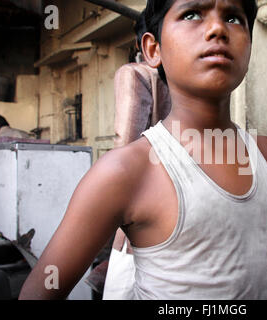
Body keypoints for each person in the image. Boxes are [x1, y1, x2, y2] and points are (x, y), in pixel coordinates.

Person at [19, 0, 267, 299]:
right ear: (153, 49)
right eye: (191, 14)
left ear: (249, 46)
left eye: (234, 18)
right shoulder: (125, 172)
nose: (217, 29)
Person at [85, 10, 172, 298]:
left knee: (124, 285)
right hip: (177, 204)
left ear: (143, 44)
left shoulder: (133, 74)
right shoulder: (185, 84)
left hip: (141, 198)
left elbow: (126, 142)